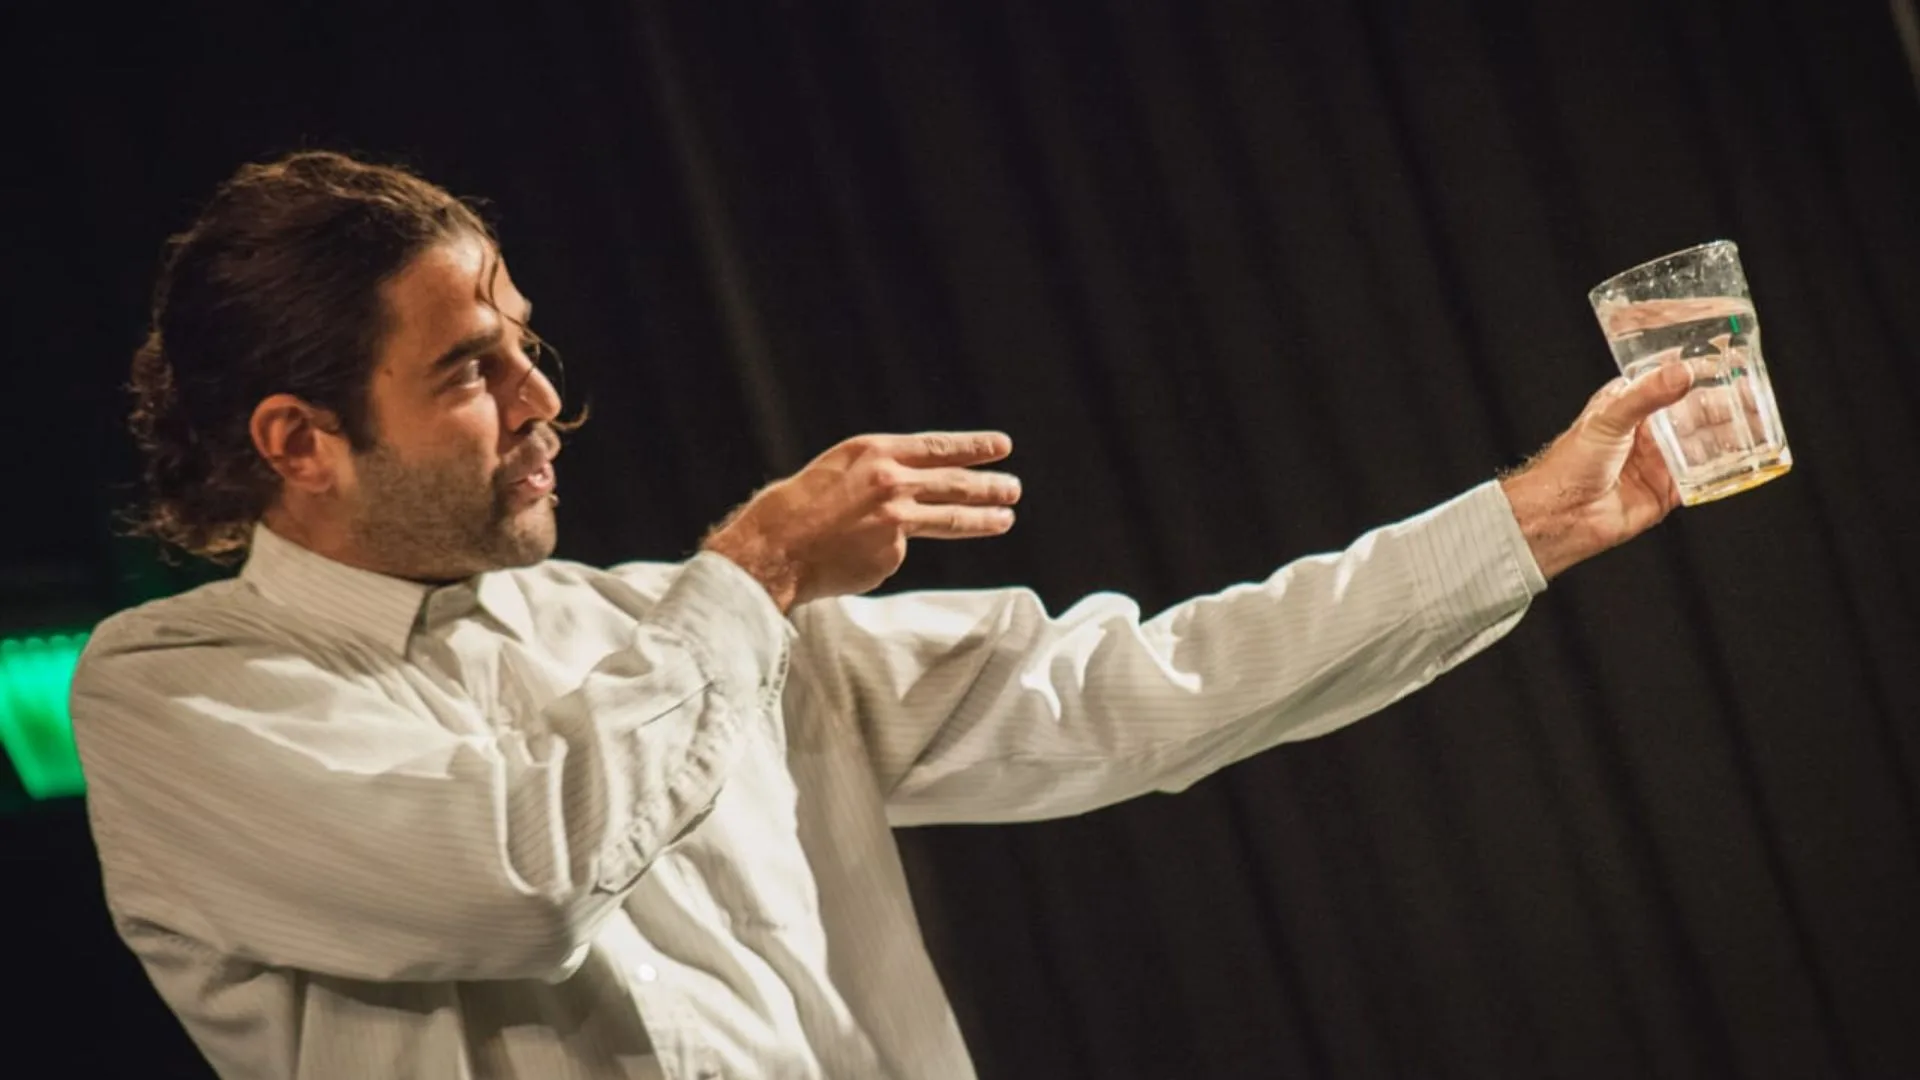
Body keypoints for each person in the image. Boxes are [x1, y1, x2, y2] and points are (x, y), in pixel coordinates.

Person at [71, 151, 1702, 1080]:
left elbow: (1143, 688)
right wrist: (754, 572)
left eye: (526, 344)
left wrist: (1532, 520)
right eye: (469, 371)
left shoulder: (650, 627)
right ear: (299, 441)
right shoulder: (174, 693)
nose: (543, 399)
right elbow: (512, 885)